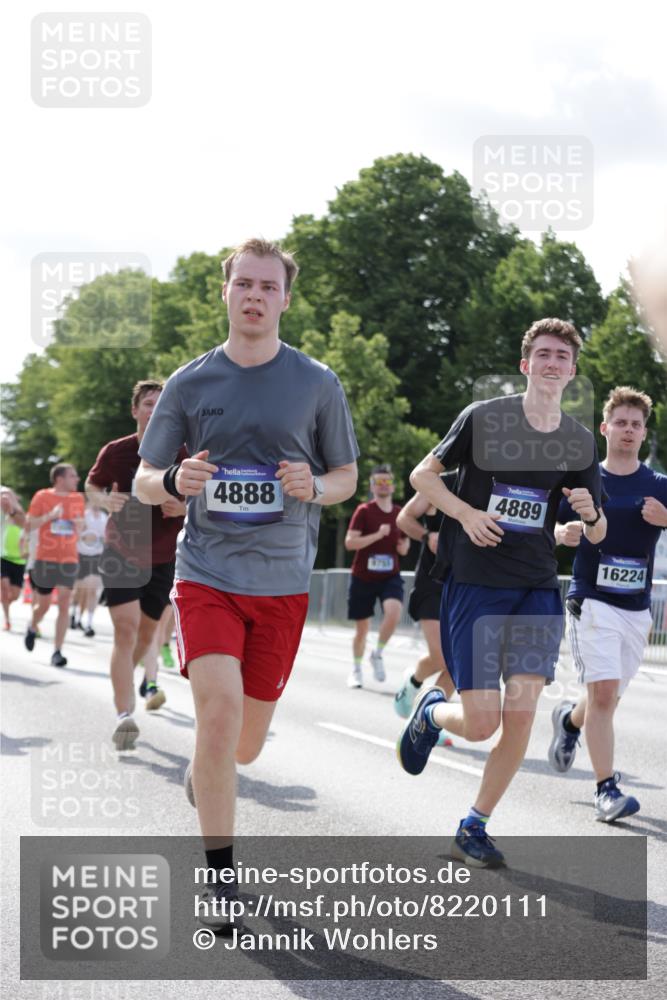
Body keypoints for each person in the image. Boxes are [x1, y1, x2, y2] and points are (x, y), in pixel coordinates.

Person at [134, 237, 358, 931]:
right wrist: (175, 480)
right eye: (244, 285)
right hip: (207, 574)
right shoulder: (189, 382)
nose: (255, 295)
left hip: (284, 583)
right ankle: (221, 879)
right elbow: (145, 479)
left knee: (244, 744)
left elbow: (346, 476)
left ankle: (209, 770)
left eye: (268, 286)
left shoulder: (317, 382)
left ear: (285, 298)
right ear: (225, 293)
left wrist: (314, 485)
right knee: (219, 714)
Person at [398, 318, 606, 867]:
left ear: (572, 370)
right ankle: (431, 714)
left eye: (563, 355)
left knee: (522, 714)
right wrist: (465, 514)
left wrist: (589, 516)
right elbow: (423, 476)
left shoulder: (579, 440)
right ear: (526, 364)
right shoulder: (484, 418)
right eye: (543, 353)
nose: (553, 362)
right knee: (481, 722)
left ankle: (474, 824)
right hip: (476, 583)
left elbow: (597, 529)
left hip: (537, 585)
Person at [548, 386, 667, 821]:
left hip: (636, 608)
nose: (629, 430)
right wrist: (561, 534)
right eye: (622, 422)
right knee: (602, 696)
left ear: (643, 431)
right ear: (605, 428)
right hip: (591, 599)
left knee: (606, 700)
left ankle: (568, 722)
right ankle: (606, 789)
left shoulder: (659, 486)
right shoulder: (582, 479)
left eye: (637, 424)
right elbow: (548, 525)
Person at [86, 381, 187, 749]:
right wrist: (103, 502)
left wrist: (185, 508)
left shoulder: (183, 453)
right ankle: (123, 714)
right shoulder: (117, 451)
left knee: (147, 636)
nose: (154, 409)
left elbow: (205, 503)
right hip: (121, 552)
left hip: (163, 557)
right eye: (148, 403)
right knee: (126, 632)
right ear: (136, 410)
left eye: (161, 404)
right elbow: (93, 485)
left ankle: (128, 684)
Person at [394, 478, 457, 747]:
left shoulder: (494, 487)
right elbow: (403, 517)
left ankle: (429, 718)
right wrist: (426, 535)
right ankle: (416, 683)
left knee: (457, 666)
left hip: (466, 587)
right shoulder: (440, 483)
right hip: (432, 584)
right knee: (443, 657)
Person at [345, 465, 410, 688]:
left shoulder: (400, 513)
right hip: (363, 576)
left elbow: (404, 546)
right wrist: (377, 535)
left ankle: (378, 653)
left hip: (389, 576)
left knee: (394, 612)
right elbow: (350, 542)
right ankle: (356, 668)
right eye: (379, 482)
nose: (383, 485)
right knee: (362, 629)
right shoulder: (364, 511)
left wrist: (404, 546)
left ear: (392, 486)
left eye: (387, 481)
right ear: (372, 486)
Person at [24, 464, 85, 666]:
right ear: (60, 479)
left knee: (65, 604)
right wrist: (50, 516)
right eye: (73, 476)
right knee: (43, 605)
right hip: (46, 558)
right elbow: (29, 524)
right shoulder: (42, 496)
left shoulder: (78, 498)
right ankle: (33, 626)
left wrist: (79, 524)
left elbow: (82, 526)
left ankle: (57, 651)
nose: (77, 479)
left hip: (69, 558)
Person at [70, 500, 107, 636]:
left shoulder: (104, 517)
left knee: (92, 591)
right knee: (79, 591)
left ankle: (88, 624)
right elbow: (75, 534)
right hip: (81, 555)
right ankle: (74, 614)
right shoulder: (84, 515)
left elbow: (107, 537)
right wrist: (85, 536)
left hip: (97, 556)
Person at [1, 487, 27, 631]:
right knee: (4, 588)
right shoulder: (4, 518)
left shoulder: (21, 518)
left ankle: (5, 605)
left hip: (18, 561)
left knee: (15, 595)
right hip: (3, 558)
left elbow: (26, 533)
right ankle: (7, 619)